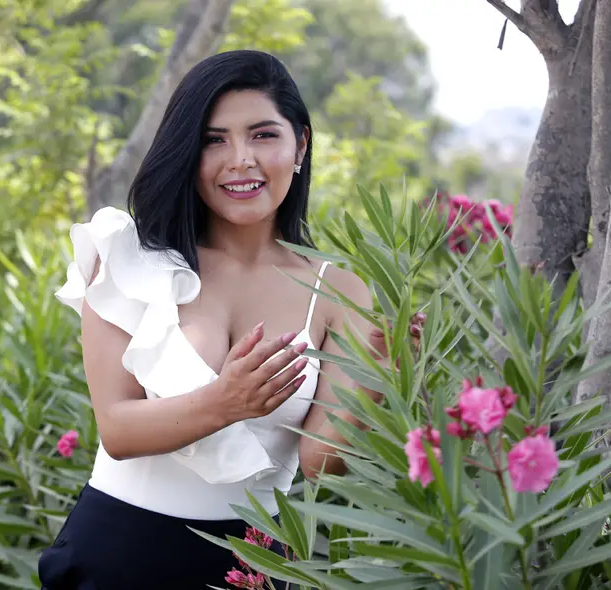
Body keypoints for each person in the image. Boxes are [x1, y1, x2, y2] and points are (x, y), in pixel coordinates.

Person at [39, 49, 421, 590]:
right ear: (186, 153)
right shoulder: (128, 255)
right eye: (213, 140)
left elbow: (319, 464)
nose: (239, 159)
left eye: (263, 135)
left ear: (300, 147)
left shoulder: (338, 288)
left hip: (256, 563)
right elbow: (118, 429)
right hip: (120, 553)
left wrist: (380, 369)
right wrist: (225, 403)